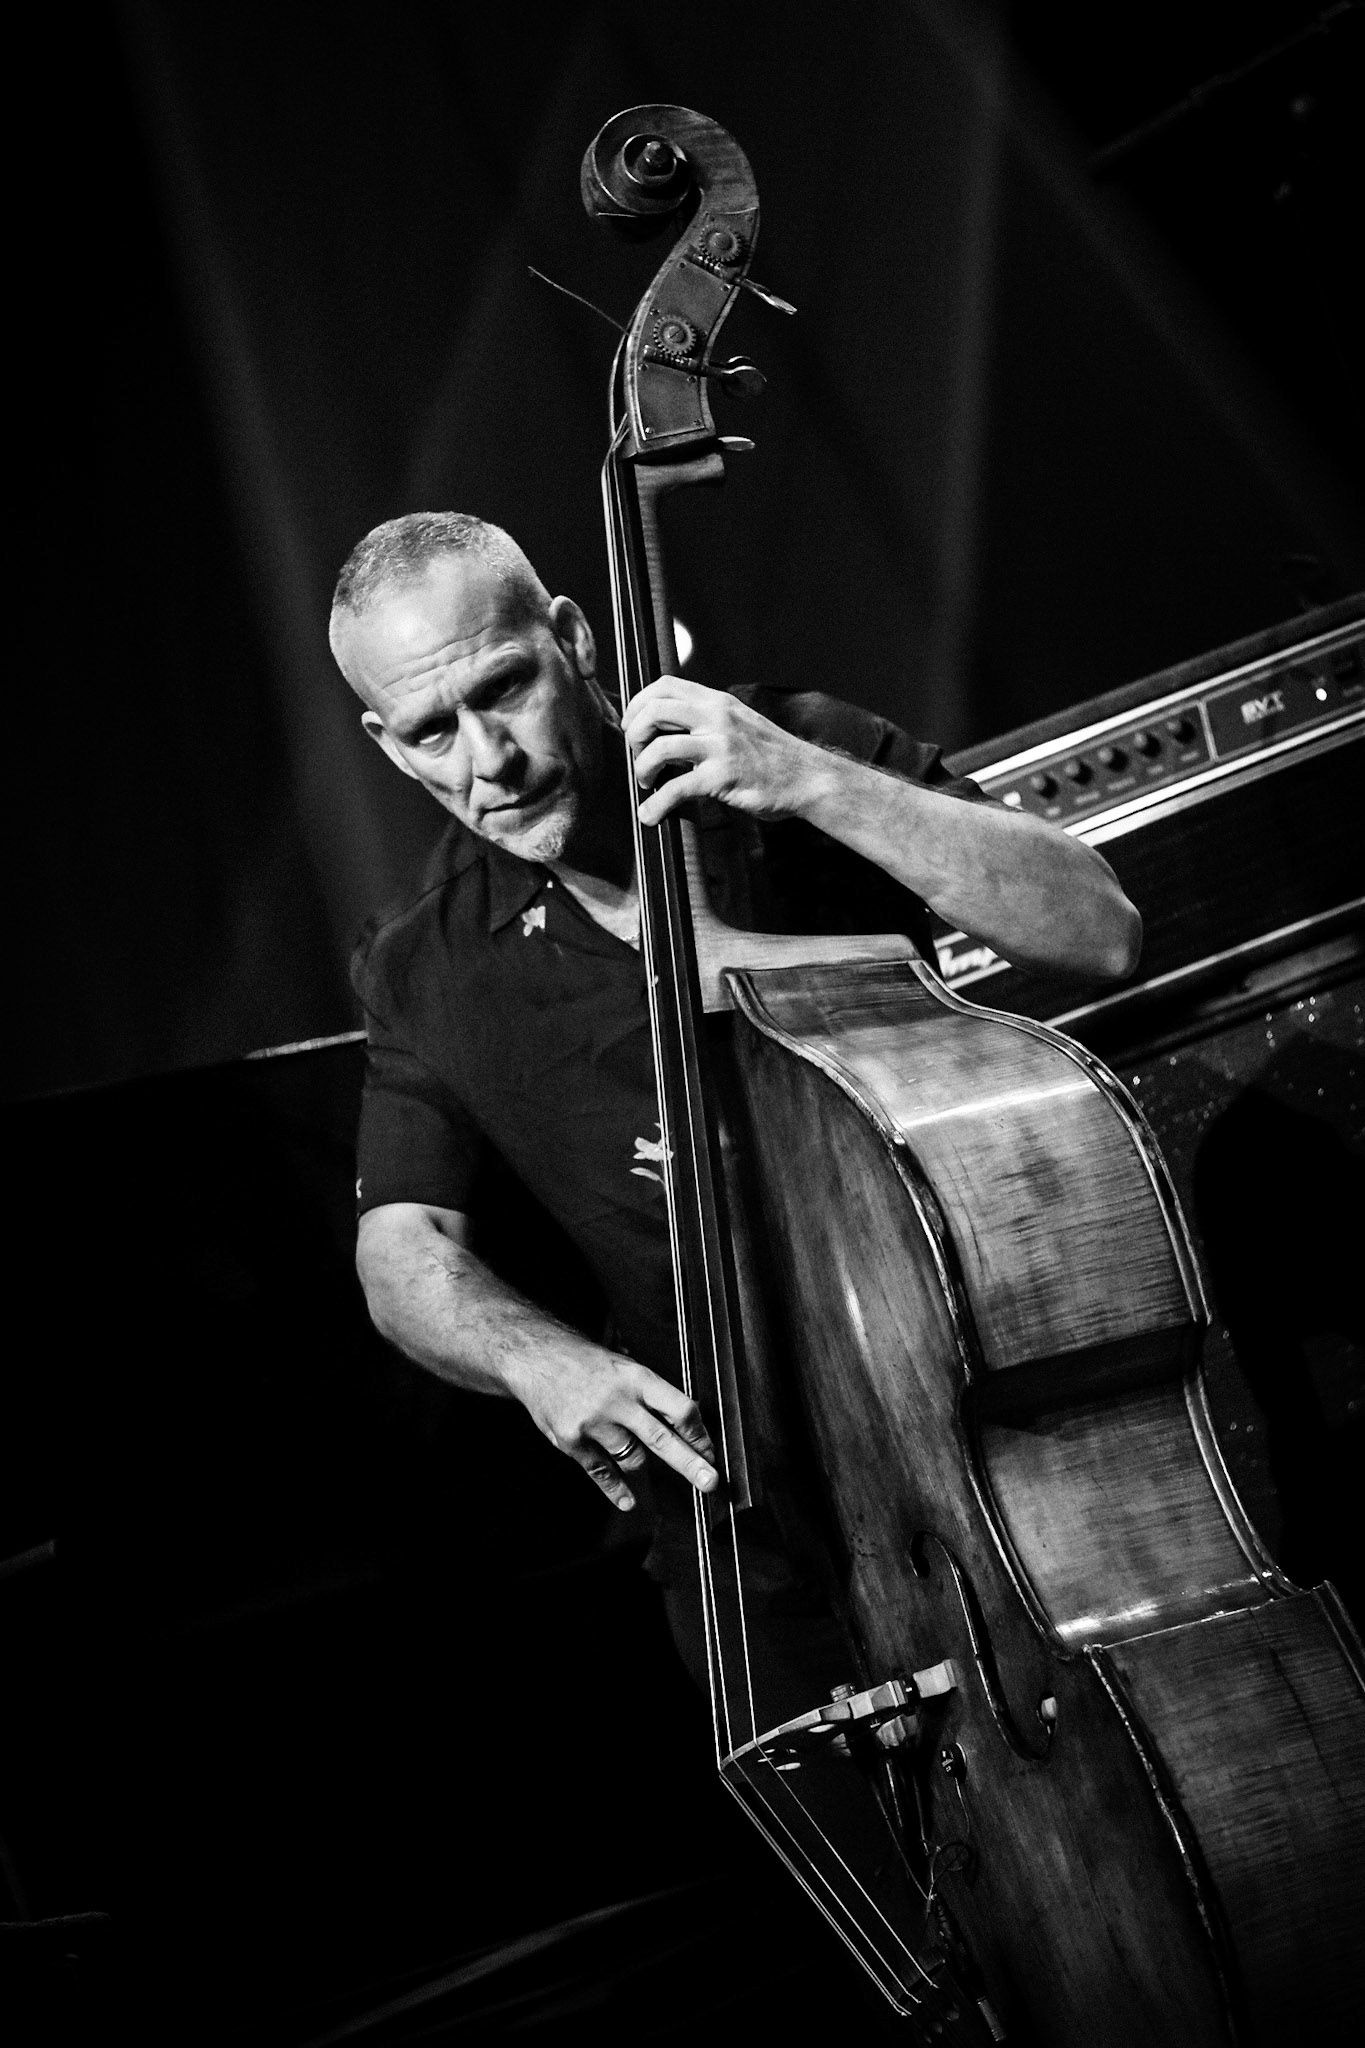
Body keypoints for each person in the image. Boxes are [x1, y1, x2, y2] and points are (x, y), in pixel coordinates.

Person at [330, 509, 1142, 1704]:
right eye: (431, 732)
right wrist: (540, 1359)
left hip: (1011, 1458)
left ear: (574, 638)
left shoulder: (788, 749)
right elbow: (401, 1251)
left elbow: (1100, 930)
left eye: (503, 688)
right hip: (754, 1563)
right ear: (387, 746)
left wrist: (811, 781)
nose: (486, 761)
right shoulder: (426, 964)